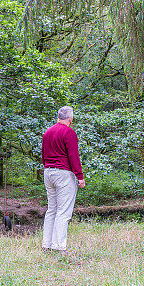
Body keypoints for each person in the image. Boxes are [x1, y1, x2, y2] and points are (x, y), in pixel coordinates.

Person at [41, 105, 85, 252]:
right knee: (63, 211)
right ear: (70, 119)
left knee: (51, 209)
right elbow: (73, 156)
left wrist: (48, 167)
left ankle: (46, 244)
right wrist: (80, 176)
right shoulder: (69, 132)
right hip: (63, 173)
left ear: (58, 117)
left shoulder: (47, 132)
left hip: (48, 172)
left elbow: (43, 154)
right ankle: (59, 246)